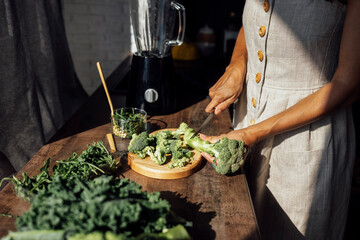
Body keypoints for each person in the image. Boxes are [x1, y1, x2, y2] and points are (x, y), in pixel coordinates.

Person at [200, 0, 359, 239]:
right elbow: (253, 26)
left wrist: (251, 134)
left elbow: (348, 85)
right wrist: (237, 66)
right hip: (245, 124)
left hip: (305, 147)